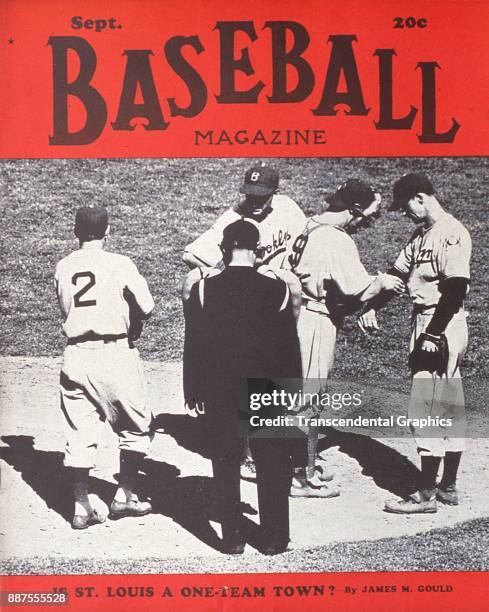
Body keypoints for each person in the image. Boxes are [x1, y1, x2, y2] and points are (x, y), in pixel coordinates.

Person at [182, 219, 303, 554]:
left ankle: (232, 538)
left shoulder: (206, 287)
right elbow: (287, 343)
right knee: (272, 460)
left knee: (225, 458)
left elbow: (195, 342)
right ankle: (276, 539)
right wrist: (293, 388)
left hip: (221, 387)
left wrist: (192, 388)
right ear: (258, 250)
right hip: (267, 387)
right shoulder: (277, 287)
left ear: (224, 249)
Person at [284, 179, 405, 497]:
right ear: (354, 209)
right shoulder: (337, 239)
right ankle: (301, 477)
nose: (369, 220)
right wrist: (383, 282)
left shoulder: (308, 224)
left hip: (291, 315)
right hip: (315, 319)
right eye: (368, 213)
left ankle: (298, 464)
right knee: (309, 398)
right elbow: (356, 287)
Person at [359, 173, 471, 513]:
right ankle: (447, 487)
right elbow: (396, 273)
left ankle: (425, 495)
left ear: (420, 198)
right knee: (448, 401)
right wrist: (371, 307)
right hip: (432, 322)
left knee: (425, 406)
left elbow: (455, 289)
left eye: (405, 205)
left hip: (441, 323)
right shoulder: (422, 234)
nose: (404, 212)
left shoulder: (451, 234)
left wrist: (432, 335)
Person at [183, 163, 305, 478]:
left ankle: (289, 455)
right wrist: (228, 273)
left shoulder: (290, 211)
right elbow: (192, 255)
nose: (254, 201)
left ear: (275, 193)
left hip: (278, 299)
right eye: (250, 194)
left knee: (277, 376)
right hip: (250, 303)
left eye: (261, 196)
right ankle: (252, 455)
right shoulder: (231, 219)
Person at [54, 206, 155, 529]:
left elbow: (66, 308)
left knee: (79, 433)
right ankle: (125, 495)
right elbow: (148, 306)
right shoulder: (119, 263)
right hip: (115, 355)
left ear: (75, 231)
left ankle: (81, 507)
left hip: (76, 356)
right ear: (108, 231)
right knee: (136, 429)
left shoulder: (64, 266)